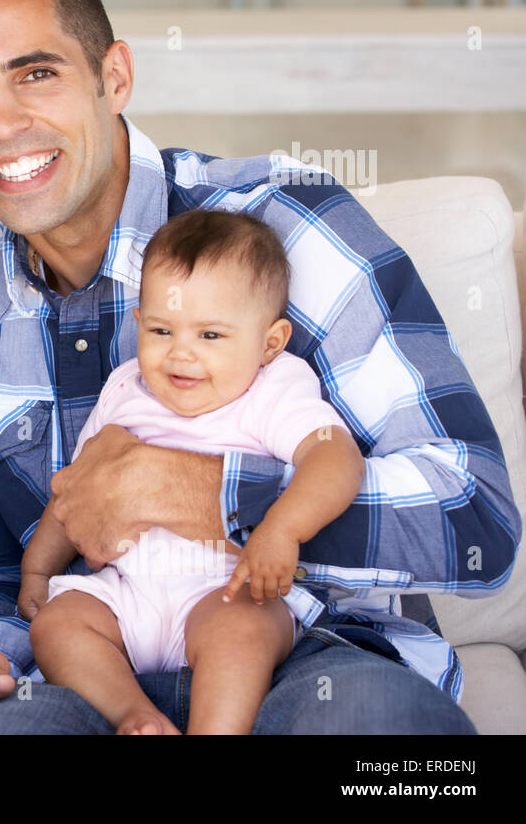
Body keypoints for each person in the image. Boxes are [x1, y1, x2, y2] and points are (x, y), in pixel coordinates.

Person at [0, 0, 519, 735]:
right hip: (95, 669)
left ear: (114, 76)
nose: (0, 124)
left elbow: (476, 517)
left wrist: (206, 492)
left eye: (36, 73)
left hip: (309, 652)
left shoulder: (288, 226)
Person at [19, 210, 364, 735]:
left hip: (225, 592)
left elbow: (336, 459)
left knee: (241, 632)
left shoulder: (272, 388)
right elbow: (74, 494)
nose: (181, 353)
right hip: (128, 594)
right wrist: (37, 571)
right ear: (138, 323)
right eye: (162, 329)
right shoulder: (124, 389)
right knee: (56, 626)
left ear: (270, 343)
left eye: (210, 334)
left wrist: (283, 528)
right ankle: (134, 715)